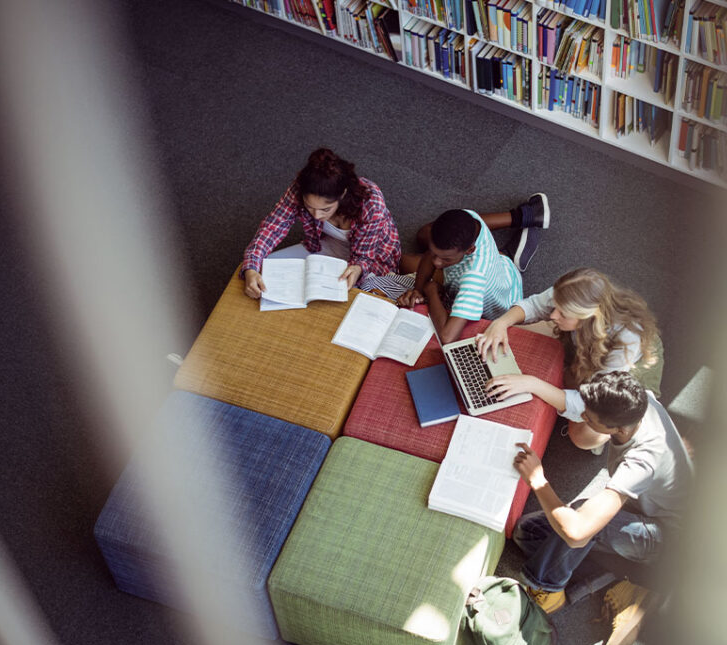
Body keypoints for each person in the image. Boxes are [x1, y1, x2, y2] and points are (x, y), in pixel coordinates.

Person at [506, 371, 692, 645]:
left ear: (617, 428)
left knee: (578, 521)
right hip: (642, 507)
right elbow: (577, 404)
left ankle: (547, 590)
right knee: (527, 533)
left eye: (589, 418)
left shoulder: (642, 461)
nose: (583, 418)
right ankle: (628, 584)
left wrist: (538, 480)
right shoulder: (635, 401)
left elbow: (577, 532)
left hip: (668, 537)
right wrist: (530, 383)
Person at [478, 268, 661, 451]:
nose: (553, 315)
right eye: (556, 307)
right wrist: (500, 323)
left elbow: (592, 401)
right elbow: (534, 305)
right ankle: (567, 376)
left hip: (620, 378)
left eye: (563, 314)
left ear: (588, 317)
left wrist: (531, 383)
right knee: (516, 333)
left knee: (583, 437)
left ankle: (614, 426)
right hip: (585, 345)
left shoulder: (626, 340)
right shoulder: (572, 292)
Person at [240, 148, 401, 299]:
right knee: (265, 271)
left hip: (373, 256)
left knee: (345, 298)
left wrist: (357, 269)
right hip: (324, 245)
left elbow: (364, 257)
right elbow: (273, 227)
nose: (316, 215)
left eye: (325, 209)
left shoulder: (371, 203)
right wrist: (251, 267)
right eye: (309, 206)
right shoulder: (300, 188)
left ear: (343, 194)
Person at [396, 204, 545, 343]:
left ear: (470, 250)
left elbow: (448, 337)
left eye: (446, 259)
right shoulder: (469, 218)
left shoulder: (474, 278)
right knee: (424, 234)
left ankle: (511, 253)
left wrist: (430, 290)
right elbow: (432, 254)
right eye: (434, 253)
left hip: (496, 308)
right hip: (504, 271)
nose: (436, 263)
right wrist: (417, 290)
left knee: (404, 262)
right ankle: (509, 253)